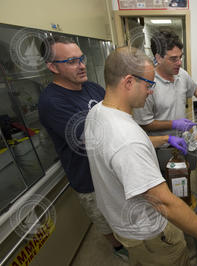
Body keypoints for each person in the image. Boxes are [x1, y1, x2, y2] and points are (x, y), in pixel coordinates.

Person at [84, 46, 197, 266]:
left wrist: (164, 139)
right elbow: (165, 202)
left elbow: (115, 151)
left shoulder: (97, 113)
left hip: (122, 223)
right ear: (128, 82)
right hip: (148, 231)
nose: (151, 91)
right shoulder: (127, 137)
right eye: (148, 85)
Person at [38, 36, 131, 261]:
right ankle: (119, 249)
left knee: (125, 215)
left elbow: (117, 112)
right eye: (71, 61)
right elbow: (88, 139)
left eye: (81, 58)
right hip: (88, 179)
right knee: (104, 220)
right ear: (52, 67)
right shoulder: (52, 102)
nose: (81, 65)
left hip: (112, 169)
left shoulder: (90, 87)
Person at [133, 31, 197, 137]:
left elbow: (195, 89)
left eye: (180, 57)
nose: (179, 62)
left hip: (183, 139)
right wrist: (173, 124)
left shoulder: (182, 74)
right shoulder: (146, 84)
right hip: (162, 146)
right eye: (173, 59)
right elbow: (145, 123)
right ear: (158, 58)